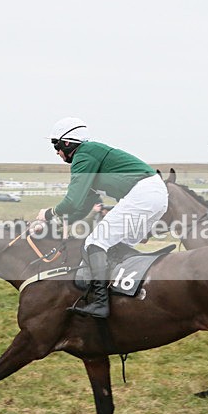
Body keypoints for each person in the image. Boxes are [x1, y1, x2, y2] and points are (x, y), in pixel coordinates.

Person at [35, 117, 168, 319]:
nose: (56, 151)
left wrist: (47, 213)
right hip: (155, 195)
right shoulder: (90, 155)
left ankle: (100, 303)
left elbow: (71, 201)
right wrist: (53, 223)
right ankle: (124, 294)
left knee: (95, 243)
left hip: (143, 194)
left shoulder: (83, 156)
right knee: (116, 246)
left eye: (56, 144)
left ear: (67, 143)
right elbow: (80, 207)